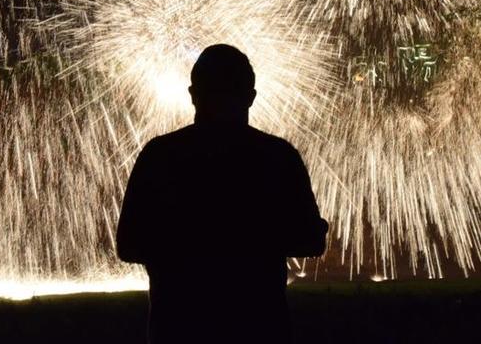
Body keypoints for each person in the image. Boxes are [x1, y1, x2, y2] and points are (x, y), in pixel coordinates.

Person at [116, 44, 328, 344]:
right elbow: (310, 240)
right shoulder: (278, 157)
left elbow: (128, 245)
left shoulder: (159, 156)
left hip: (179, 326)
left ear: (193, 94)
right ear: (251, 97)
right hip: (259, 326)